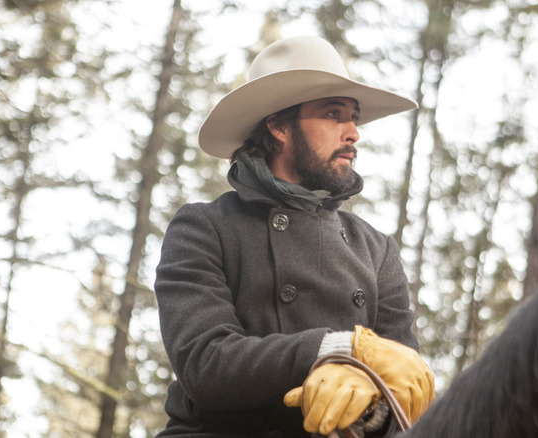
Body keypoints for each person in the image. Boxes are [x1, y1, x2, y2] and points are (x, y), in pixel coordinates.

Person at [154, 35, 434, 438]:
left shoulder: (376, 250)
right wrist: (343, 350)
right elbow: (206, 364)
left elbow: (404, 393)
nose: (354, 132)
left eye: (354, 116)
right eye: (334, 113)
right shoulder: (203, 227)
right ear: (279, 126)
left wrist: (367, 410)